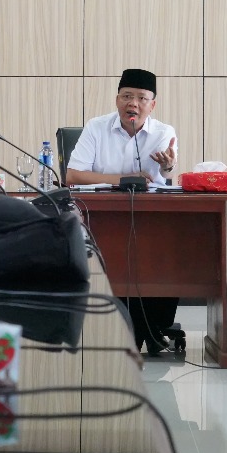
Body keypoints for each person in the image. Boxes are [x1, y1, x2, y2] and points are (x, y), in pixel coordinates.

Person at [66, 68, 179, 354]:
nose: (134, 104)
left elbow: (164, 176)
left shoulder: (164, 132)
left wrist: (167, 168)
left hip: (149, 220)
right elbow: (74, 176)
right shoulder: (96, 127)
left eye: (142, 98)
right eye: (127, 96)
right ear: (117, 100)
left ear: (152, 105)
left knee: (168, 252)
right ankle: (111, 329)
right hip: (100, 218)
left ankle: (152, 328)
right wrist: (126, 178)